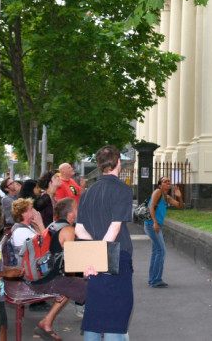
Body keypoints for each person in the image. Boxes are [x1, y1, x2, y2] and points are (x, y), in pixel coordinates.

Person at [75, 145, 134, 340]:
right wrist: (100, 257)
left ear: (99, 166)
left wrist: (92, 255)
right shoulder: (123, 190)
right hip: (115, 258)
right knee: (115, 319)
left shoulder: (87, 194)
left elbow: (79, 229)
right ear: (118, 162)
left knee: (95, 315)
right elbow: (114, 228)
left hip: (94, 262)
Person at [11, 197, 87, 341]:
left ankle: (46, 323)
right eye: (76, 207)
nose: (78, 210)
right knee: (92, 287)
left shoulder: (53, 226)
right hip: (45, 281)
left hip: (37, 276)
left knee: (72, 285)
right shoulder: (68, 230)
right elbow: (72, 264)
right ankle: (95, 328)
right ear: (71, 213)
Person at [144, 176, 184, 288]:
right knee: (161, 251)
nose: (168, 183)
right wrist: (155, 223)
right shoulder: (158, 192)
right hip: (152, 225)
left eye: (169, 181)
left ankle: (153, 279)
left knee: (156, 252)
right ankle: (156, 280)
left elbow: (180, 207)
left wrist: (180, 197)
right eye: (165, 181)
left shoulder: (166, 196)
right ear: (160, 185)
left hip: (156, 225)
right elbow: (151, 207)